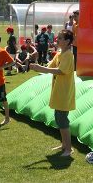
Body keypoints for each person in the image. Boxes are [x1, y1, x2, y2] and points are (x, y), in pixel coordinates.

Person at [30, 29, 76, 157]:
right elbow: (50, 67)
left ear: (67, 41)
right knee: (59, 118)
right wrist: (37, 65)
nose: (57, 40)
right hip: (58, 91)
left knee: (62, 119)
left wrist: (41, 68)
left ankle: (69, 149)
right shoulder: (60, 54)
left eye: (60, 38)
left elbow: (61, 71)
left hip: (64, 92)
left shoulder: (68, 55)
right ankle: (64, 145)